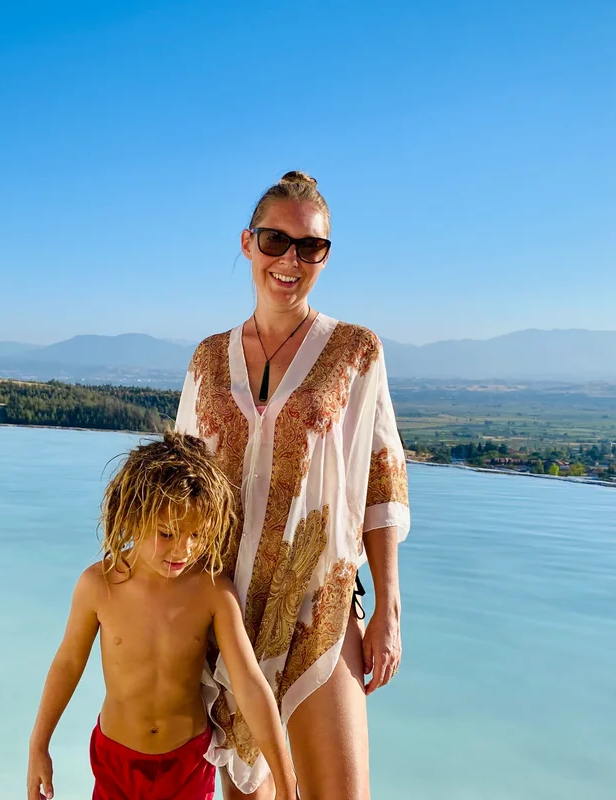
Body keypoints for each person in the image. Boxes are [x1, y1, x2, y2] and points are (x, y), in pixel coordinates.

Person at [175, 172, 411, 799]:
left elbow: (383, 478)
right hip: (224, 612)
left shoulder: (356, 351)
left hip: (323, 606)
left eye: (311, 247)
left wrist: (387, 603)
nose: (291, 260)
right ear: (247, 243)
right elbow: (179, 486)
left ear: (325, 257)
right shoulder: (206, 358)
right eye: (276, 240)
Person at [27, 432, 298, 800]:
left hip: (186, 761)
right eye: (167, 533)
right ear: (134, 516)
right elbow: (68, 662)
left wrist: (285, 781)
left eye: (196, 535)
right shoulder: (98, 586)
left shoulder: (212, 592)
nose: (182, 549)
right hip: (115, 761)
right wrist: (39, 745)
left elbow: (249, 683)